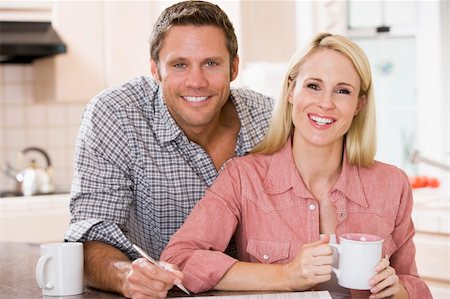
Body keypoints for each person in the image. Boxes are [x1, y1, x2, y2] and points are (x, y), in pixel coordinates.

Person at [161, 32, 432, 299]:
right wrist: (286, 275)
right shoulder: (244, 177)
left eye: (342, 91)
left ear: (359, 104)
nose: (325, 103)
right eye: (313, 86)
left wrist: (399, 291)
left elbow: (413, 283)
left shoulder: (391, 185)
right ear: (291, 91)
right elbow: (179, 260)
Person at [63, 1, 273, 298]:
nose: (196, 81)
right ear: (155, 69)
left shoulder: (270, 119)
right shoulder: (116, 115)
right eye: (179, 64)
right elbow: (91, 233)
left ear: (234, 67)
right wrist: (127, 277)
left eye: (211, 63)